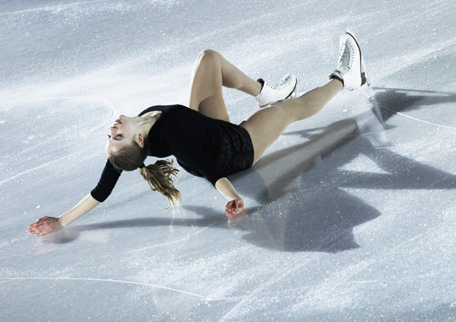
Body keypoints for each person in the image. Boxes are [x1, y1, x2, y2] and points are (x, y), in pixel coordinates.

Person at [27, 30, 377, 237]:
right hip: (234, 150)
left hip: (208, 129)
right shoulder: (174, 133)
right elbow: (212, 171)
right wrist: (231, 197)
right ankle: (346, 78)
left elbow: (100, 190)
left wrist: (59, 220)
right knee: (286, 112)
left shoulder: (139, 130)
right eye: (116, 136)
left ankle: (263, 91)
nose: (112, 129)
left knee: (208, 58)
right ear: (137, 141)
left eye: (109, 135)